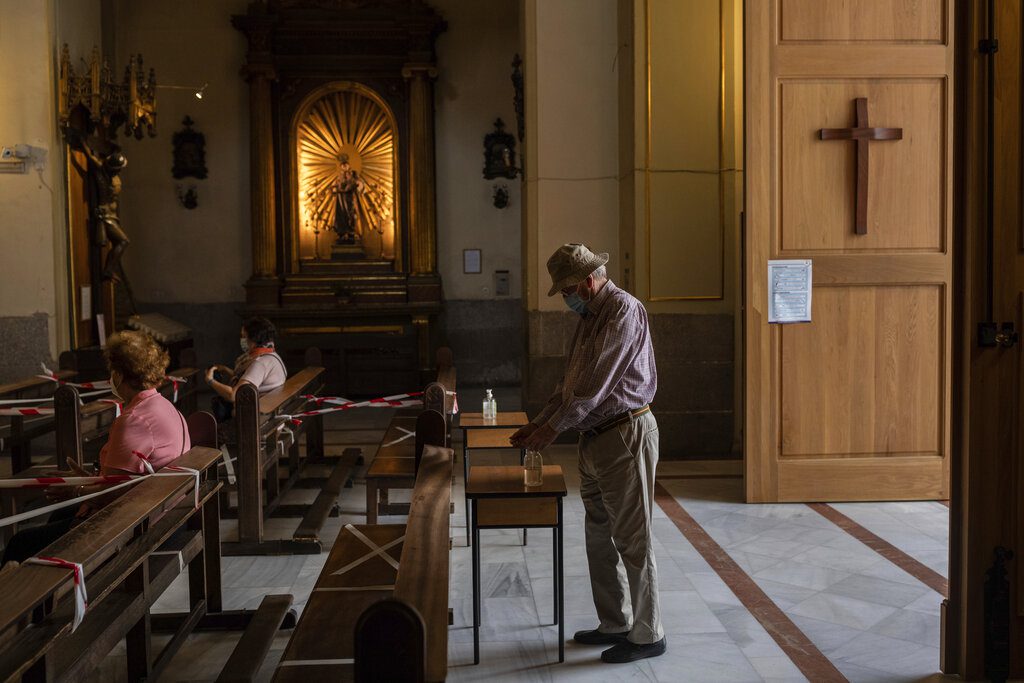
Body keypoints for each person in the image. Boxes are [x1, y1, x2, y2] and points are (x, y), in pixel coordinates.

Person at [511, 243, 665, 664]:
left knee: (634, 537)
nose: (566, 299)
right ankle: (615, 622)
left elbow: (594, 387)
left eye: (567, 291)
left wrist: (550, 431)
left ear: (588, 281)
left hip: (624, 433)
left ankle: (649, 632)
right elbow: (569, 384)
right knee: (599, 536)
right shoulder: (590, 315)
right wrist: (539, 420)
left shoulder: (622, 311)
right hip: (594, 437)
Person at [3, 331, 190, 563]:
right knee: (59, 516)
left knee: (19, 543)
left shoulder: (134, 419)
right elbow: (125, 479)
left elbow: (113, 493)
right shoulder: (165, 406)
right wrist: (86, 478)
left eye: (111, 371)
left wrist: (76, 490)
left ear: (120, 375)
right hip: (162, 510)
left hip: (135, 525)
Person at [205, 316, 287, 422]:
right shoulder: (272, 355)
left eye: (244, 336)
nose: (242, 340)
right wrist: (226, 370)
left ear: (254, 338)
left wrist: (210, 381)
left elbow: (234, 395)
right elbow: (251, 379)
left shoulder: (260, 363)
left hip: (256, 418)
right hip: (268, 410)